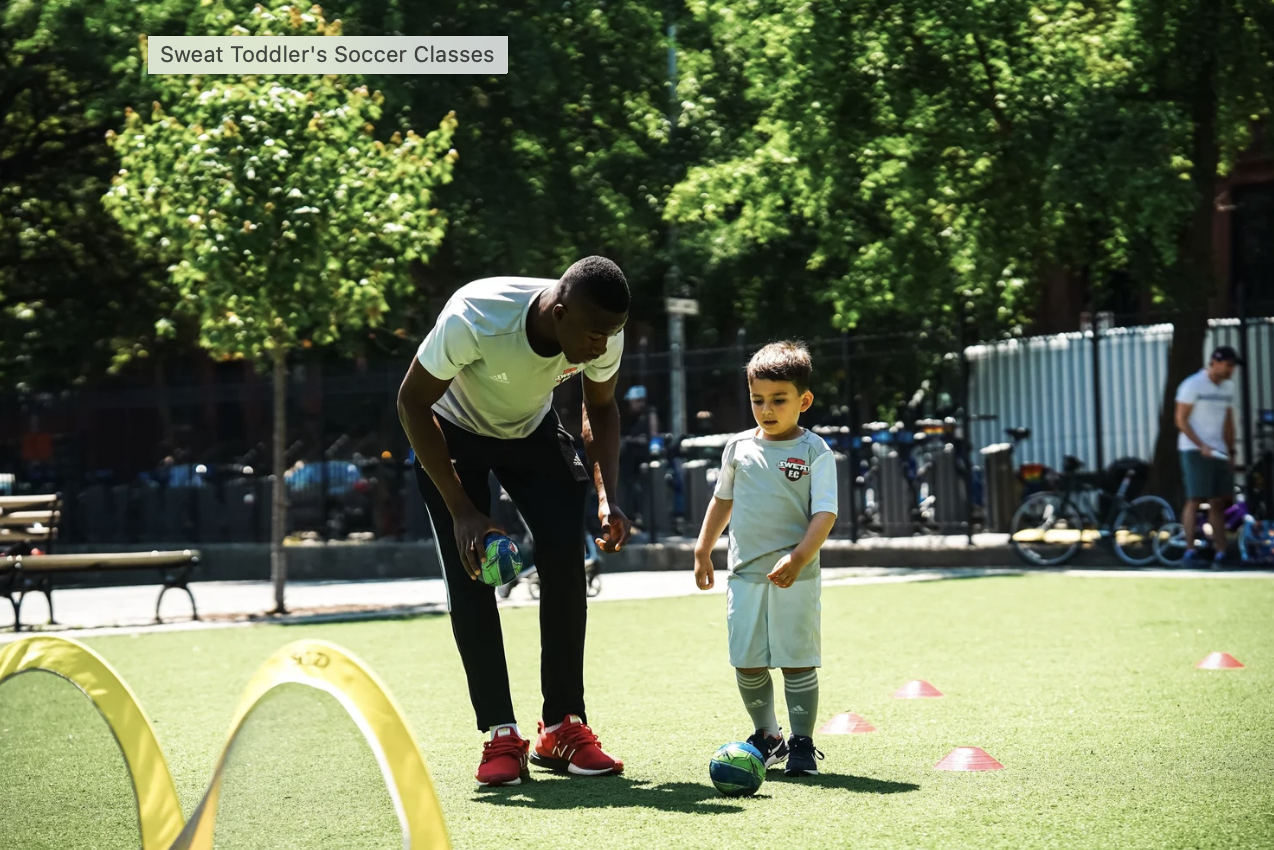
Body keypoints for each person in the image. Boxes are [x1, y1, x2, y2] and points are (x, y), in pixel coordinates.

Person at [397, 256, 633, 787]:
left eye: (612, 334)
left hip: (531, 432)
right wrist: (463, 511)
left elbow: (600, 407)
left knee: (565, 558)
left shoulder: (602, 330)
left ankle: (562, 728)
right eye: (595, 333)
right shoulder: (477, 316)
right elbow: (411, 402)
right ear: (558, 311)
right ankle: (500, 735)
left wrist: (607, 496)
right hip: (452, 434)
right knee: (472, 573)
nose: (603, 345)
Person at [692, 341, 839, 777]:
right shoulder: (738, 448)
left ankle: (802, 744)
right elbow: (722, 501)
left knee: (796, 660)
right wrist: (703, 550)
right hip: (744, 577)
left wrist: (798, 558)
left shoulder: (815, 451)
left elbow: (825, 514)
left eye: (779, 400)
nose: (767, 409)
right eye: (758, 400)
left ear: (804, 401)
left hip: (796, 577)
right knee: (747, 661)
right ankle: (768, 735)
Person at [1175, 345, 1244, 565]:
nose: (1230, 370)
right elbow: (1181, 420)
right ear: (1215, 362)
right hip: (1194, 450)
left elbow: (1227, 421)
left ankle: (1221, 552)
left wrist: (1231, 451)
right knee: (1195, 499)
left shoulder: (1228, 388)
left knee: (1218, 501)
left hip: (1219, 451)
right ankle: (1189, 551)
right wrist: (1201, 445)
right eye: (1228, 365)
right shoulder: (1192, 385)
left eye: (1233, 366)